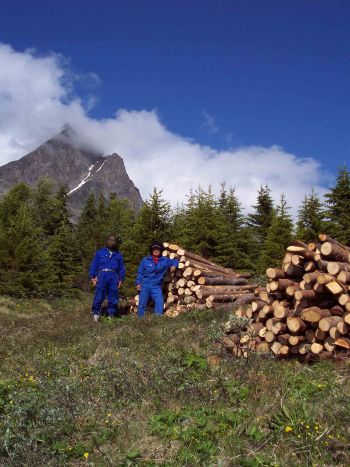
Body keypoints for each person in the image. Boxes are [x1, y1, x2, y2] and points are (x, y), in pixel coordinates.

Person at [135, 241, 179, 318]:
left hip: (156, 286)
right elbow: (140, 272)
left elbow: (175, 260)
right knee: (142, 303)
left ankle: (157, 320)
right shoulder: (145, 260)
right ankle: (140, 320)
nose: (156, 250)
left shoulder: (164, 260)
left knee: (160, 302)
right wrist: (138, 283)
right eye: (154, 249)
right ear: (151, 250)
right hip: (145, 284)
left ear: (161, 250)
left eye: (158, 249)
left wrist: (174, 266)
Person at [89, 234, 126, 322]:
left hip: (114, 276)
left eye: (114, 240)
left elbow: (122, 268)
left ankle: (111, 315)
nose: (112, 242)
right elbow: (94, 265)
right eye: (110, 240)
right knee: (99, 295)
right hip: (101, 275)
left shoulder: (118, 255)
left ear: (116, 243)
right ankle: (96, 314)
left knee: (113, 296)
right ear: (107, 241)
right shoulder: (100, 252)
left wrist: (121, 279)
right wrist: (92, 277)